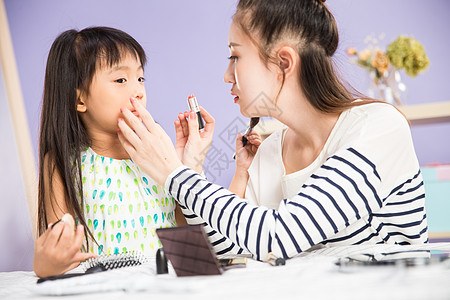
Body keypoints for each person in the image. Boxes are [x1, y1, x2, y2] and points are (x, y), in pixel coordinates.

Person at [117, 0, 428, 262]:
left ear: (283, 62)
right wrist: (189, 168)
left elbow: (281, 235)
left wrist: (173, 175)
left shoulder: (379, 127)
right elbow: (222, 249)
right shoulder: (268, 149)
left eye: (235, 56)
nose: (227, 76)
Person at [33, 26, 213, 278]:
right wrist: (47, 264)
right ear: (79, 100)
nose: (138, 90)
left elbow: (184, 237)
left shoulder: (157, 154)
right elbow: (56, 255)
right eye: (121, 80)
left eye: (140, 78)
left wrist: (190, 166)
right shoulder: (64, 164)